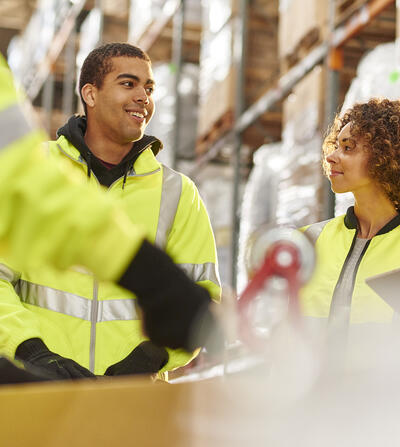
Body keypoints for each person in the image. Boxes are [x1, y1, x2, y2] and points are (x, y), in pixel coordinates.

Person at [0, 43, 221, 381]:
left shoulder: (178, 194)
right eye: (128, 84)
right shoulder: (37, 169)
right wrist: (30, 350)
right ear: (90, 93)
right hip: (37, 386)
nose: (143, 98)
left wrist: (148, 359)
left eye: (149, 88)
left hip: (131, 400)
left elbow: (199, 298)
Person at [300, 98, 400, 346]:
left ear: (383, 156)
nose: (331, 157)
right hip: (311, 386)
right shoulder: (308, 242)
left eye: (348, 148)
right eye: (336, 146)